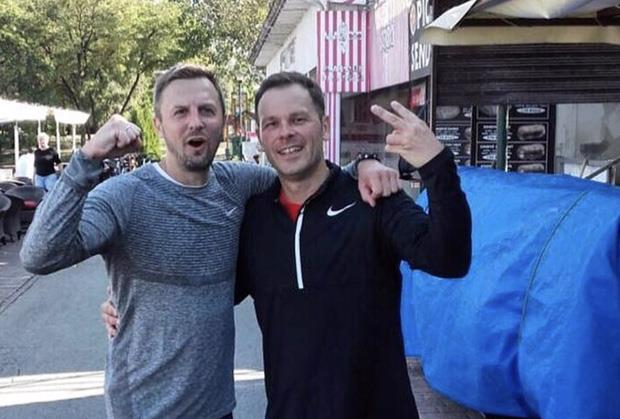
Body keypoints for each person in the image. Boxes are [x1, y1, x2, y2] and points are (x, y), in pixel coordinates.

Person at [20, 63, 398, 419]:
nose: (195, 121)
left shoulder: (239, 183)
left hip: (217, 408)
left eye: (206, 110)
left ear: (222, 121)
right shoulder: (123, 196)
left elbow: (307, 176)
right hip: (145, 410)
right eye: (180, 112)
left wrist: (363, 164)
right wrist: (86, 158)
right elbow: (39, 255)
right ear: (158, 124)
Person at [103, 72, 472, 418]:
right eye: (272, 124)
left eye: (298, 119)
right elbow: (209, 287)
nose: (285, 133)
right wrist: (128, 299)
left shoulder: (373, 198)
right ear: (261, 137)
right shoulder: (255, 216)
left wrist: (436, 164)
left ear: (324, 125)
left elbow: (449, 258)